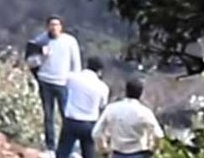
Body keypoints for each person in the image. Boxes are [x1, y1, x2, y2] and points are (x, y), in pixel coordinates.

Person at [28, 16, 82, 156]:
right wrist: (41, 56)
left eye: (56, 24)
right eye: (51, 25)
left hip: (63, 83)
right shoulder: (41, 41)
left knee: (67, 116)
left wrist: (75, 82)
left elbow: (76, 64)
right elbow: (30, 62)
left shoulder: (70, 42)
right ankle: (50, 147)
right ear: (47, 27)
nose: (54, 27)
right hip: (45, 81)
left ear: (61, 27)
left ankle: (70, 149)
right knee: (48, 115)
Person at [94, 78, 164, 158]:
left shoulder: (111, 109)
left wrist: (103, 149)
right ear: (141, 93)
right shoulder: (144, 112)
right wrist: (153, 150)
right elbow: (158, 134)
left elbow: (96, 132)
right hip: (138, 153)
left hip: (117, 153)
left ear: (126, 91)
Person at [57, 56, 109, 158]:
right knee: (88, 153)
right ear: (99, 71)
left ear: (87, 65)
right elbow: (102, 105)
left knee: (63, 152)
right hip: (89, 124)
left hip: (71, 121)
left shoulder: (72, 78)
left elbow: (62, 84)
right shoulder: (103, 87)